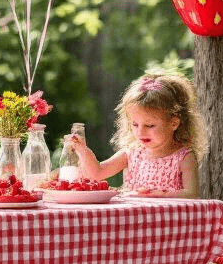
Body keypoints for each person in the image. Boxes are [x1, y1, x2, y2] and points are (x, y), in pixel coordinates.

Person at [65, 71, 206, 198]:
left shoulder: (184, 157)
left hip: (167, 222)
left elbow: (191, 194)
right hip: (134, 222)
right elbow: (97, 173)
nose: (140, 132)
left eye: (149, 125)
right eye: (135, 124)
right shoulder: (132, 154)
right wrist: (83, 151)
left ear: (174, 123)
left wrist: (160, 194)